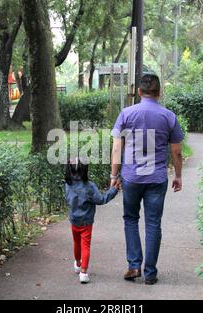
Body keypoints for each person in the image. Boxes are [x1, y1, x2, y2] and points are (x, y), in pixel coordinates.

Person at [110, 74, 185, 285]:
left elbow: (117, 147)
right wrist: (178, 176)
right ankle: (150, 272)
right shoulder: (168, 116)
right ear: (159, 93)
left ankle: (134, 265)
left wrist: (113, 175)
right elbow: (177, 152)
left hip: (132, 177)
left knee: (131, 219)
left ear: (139, 92)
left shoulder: (126, 114)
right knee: (153, 224)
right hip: (157, 178)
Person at [65, 158, 120, 284]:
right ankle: (84, 272)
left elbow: (67, 198)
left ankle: (78, 264)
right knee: (85, 245)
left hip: (74, 220)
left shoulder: (67, 185)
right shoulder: (89, 186)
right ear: (85, 169)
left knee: (76, 243)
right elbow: (101, 199)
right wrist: (114, 190)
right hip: (86, 222)